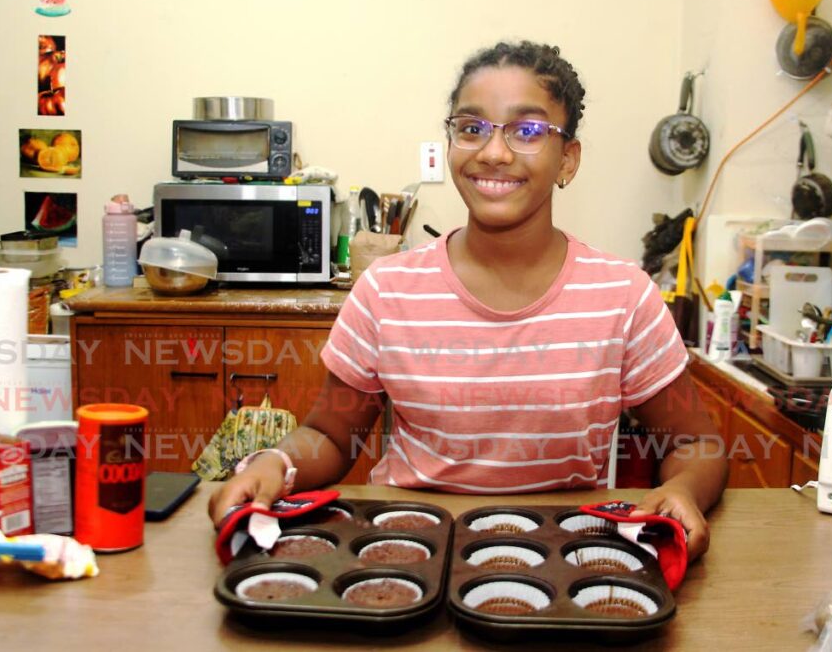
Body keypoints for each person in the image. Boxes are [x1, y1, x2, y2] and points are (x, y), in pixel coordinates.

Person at [209, 41, 727, 559]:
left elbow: (695, 444)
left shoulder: (623, 297)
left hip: (563, 561)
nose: (494, 152)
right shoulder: (386, 292)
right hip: (409, 549)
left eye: (527, 130)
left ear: (567, 159)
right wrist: (274, 463)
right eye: (472, 127)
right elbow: (329, 434)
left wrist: (682, 490)